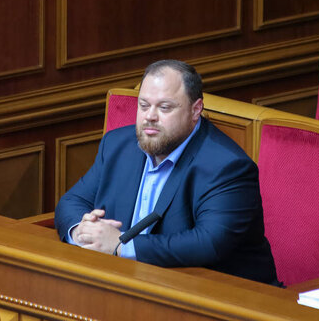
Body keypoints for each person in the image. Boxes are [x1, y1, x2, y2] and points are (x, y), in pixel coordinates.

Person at [55, 60, 279, 285]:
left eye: (164, 108)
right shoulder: (117, 145)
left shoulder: (227, 166)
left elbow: (209, 242)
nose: (150, 116)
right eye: (144, 105)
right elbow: (72, 201)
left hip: (222, 296)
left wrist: (122, 246)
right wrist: (81, 231)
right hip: (132, 283)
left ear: (195, 110)